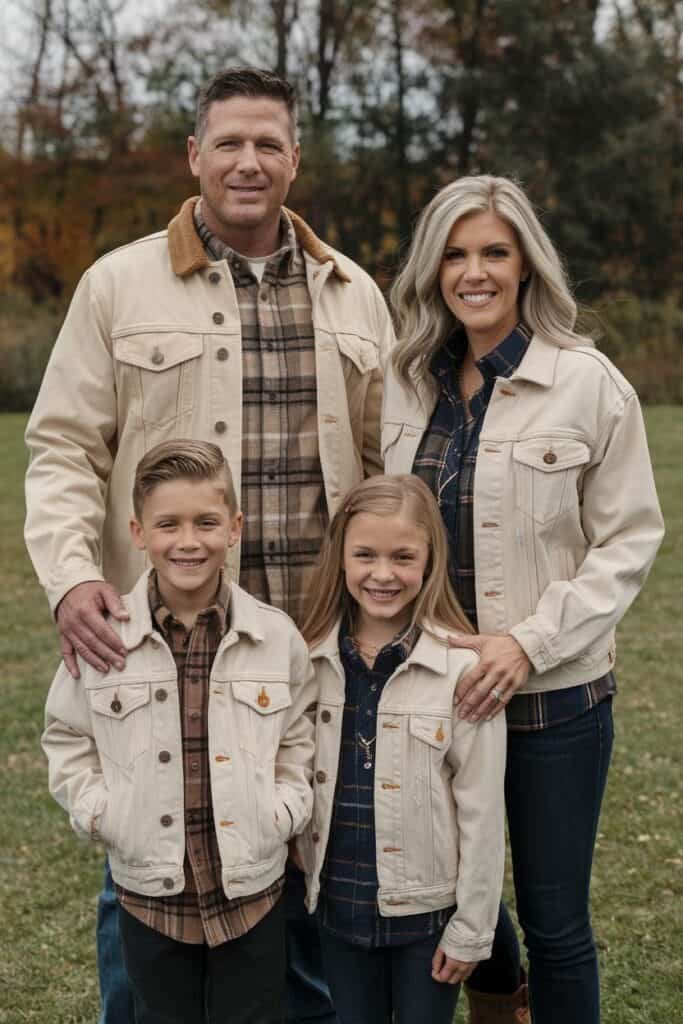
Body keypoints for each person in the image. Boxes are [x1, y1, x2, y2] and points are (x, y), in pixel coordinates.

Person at [26, 66, 394, 1023]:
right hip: (162, 638)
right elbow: (64, 446)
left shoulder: (353, 295)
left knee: (304, 863)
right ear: (194, 155)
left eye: (268, 143)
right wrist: (72, 578)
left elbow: (387, 465)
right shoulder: (119, 283)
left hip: (310, 641)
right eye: (227, 141)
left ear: (295, 159)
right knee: (149, 877)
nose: (248, 160)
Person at [382, 174, 665, 1023]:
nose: (475, 271)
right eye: (455, 254)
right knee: (445, 893)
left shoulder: (586, 382)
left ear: (526, 266)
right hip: (430, 690)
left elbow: (629, 541)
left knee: (554, 922)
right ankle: (501, 1006)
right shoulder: (402, 383)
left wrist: (526, 643)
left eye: (494, 252)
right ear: (432, 270)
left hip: (550, 698)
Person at [42, 440, 316, 1024]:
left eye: (206, 522)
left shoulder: (275, 637)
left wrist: (285, 811)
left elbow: (298, 737)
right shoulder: (104, 639)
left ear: (235, 527)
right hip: (150, 897)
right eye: (169, 524)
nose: (188, 541)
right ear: (139, 532)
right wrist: (102, 814)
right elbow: (66, 738)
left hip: (250, 891)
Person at [294, 474, 506, 1024]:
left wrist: (473, 928)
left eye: (403, 557)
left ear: (430, 560)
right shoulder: (309, 663)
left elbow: (483, 813)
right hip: (337, 904)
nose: (383, 574)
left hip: (427, 917)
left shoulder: (461, 671)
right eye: (364, 554)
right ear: (340, 557)